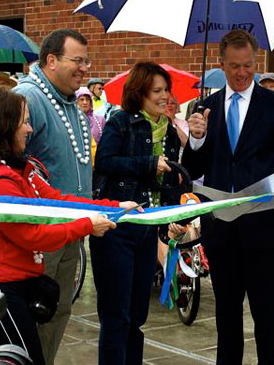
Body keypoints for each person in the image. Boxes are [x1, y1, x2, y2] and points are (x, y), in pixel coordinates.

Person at [0, 88, 136, 365]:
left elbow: (59, 201)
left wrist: (112, 207)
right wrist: (88, 225)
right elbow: (34, 237)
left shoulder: (20, 170)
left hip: (15, 283)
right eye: (24, 122)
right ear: (4, 126)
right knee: (25, 359)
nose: (30, 128)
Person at [182, 30, 274, 364]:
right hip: (222, 231)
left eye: (248, 65)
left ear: (255, 61)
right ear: (221, 64)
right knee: (227, 320)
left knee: (269, 320)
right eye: (234, 66)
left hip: (266, 230)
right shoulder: (203, 108)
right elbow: (192, 168)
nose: (241, 73)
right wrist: (195, 139)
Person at [93, 61, 182, 364]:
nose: (164, 96)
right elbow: (104, 162)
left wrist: (173, 218)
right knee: (115, 315)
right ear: (139, 92)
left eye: (166, 90)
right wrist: (146, 164)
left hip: (148, 230)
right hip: (117, 229)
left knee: (137, 315)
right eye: (157, 90)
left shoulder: (169, 130)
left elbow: (170, 181)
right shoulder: (121, 122)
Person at [12, 29, 93, 365]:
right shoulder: (28, 98)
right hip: (39, 235)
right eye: (78, 60)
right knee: (35, 313)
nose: (85, 68)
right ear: (51, 60)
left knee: (58, 310)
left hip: (69, 230)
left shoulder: (71, 102)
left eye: (87, 61)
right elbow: (7, 164)